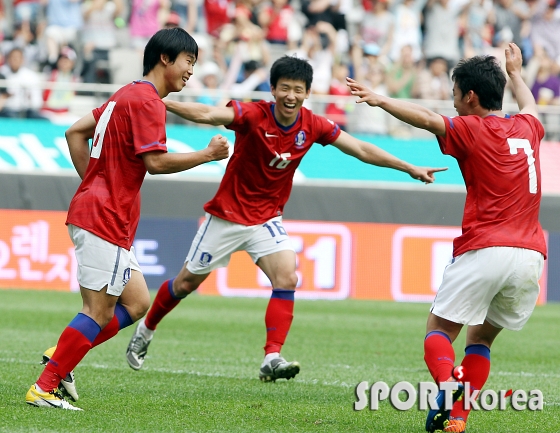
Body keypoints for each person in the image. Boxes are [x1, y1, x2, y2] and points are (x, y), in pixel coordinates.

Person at [125, 55, 447, 382]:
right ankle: (147, 328)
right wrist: (162, 103)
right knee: (184, 283)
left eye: (298, 89)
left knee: (287, 277)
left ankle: (272, 356)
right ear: (273, 89)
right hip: (227, 216)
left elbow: (361, 149)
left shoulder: (313, 124)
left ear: (307, 92)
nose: (291, 96)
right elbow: (208, 113)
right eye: (284, 89)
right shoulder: (253, 114)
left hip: (266, 219)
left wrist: (409, 167)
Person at [26, 27, 230, 410]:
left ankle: (64, 352)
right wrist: (206, 155)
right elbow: (155, 162)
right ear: (165, 59)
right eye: (189, 61)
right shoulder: (148, 101)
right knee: (98, 311)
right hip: (105, 216)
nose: (191, 71)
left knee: (136, 303)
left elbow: (75, 133)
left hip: (104, 214)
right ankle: (46, 384)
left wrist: (93, 182)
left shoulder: (125, 94)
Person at [347, 43, 547, 433]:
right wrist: (517, 73)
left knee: (438, 332)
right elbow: (531, 105)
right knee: (482, 340)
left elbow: (426, 119)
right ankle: (458, 419)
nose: (452, 102)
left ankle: (448, 384)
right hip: (530, 256)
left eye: (454, 94)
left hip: (486, 248)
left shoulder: (472, 128)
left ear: (470, 96)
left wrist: (380, 100)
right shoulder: (529, 128)